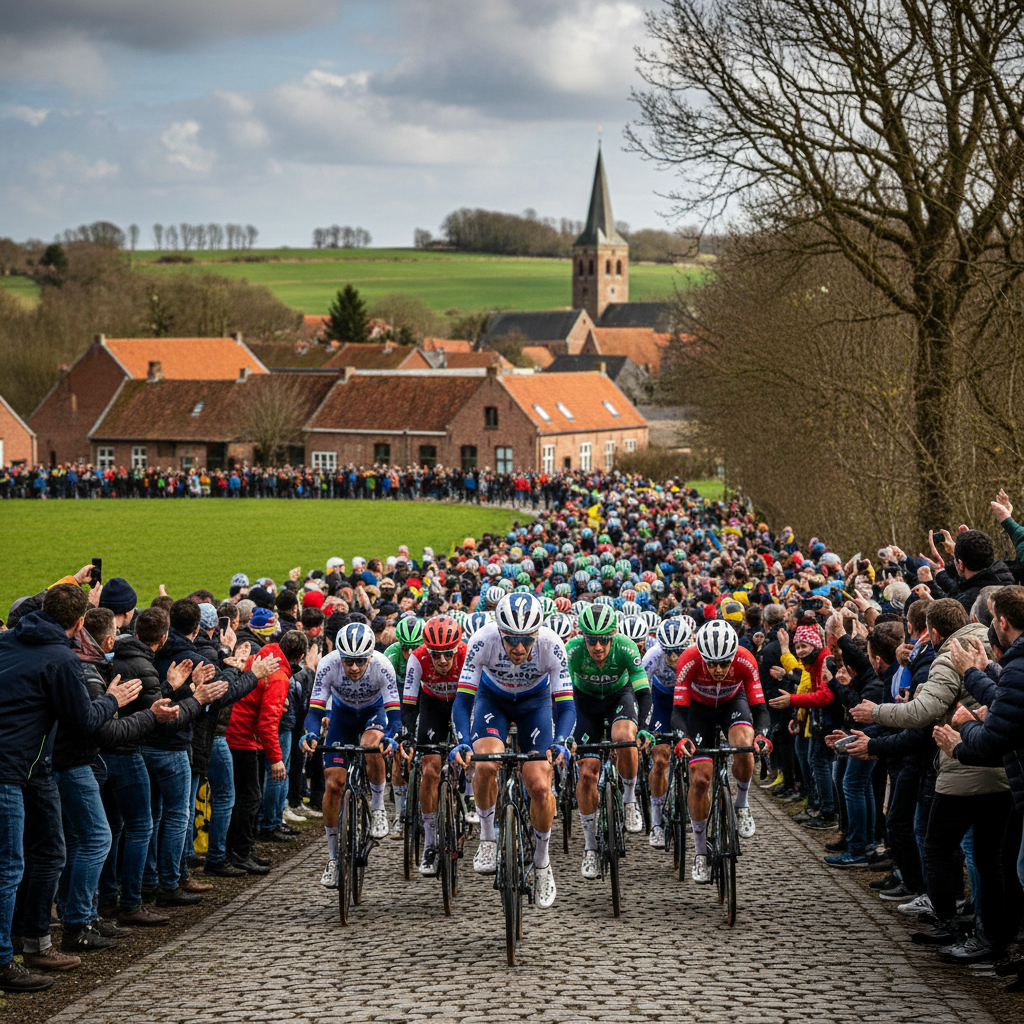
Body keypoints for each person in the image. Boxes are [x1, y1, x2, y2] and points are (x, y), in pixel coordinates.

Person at [0, 584, 138, 993]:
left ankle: (35, 941)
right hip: (11, 767)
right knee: (10, 866)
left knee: (49, 852)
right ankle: (5, 960)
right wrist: (113, 699)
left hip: (33, 766)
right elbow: (84, 719)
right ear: (80, 623)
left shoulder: (9, 641)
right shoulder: (61, 658)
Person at [449, 593, 575, 909]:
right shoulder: (483, 639)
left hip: (535, 704)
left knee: (540, 787)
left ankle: (543, 863)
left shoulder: (551, 643)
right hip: (494, 701)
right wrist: (463, 740)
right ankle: (489, 838)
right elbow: (463, 701)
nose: (519, 648)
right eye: (511, 640)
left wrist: (559, 741)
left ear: (537, 634)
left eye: (526, 641)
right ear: (500, 632)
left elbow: (567, 705)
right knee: (487, 764)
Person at [300, 621, 401, 889]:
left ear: (369, 656)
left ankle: (378, 806)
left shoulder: (382, 665)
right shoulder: (327, 664)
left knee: (372, 746)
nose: (354, 667)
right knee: (334, 783)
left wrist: (391, 735)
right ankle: (333, 858)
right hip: (342, 719)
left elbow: (395, 715)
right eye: (348, 661)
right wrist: (309, 733)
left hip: (373, 713)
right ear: (340, 657)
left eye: (359, 661)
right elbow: (315, 710)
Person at [671, 619, 772, 884]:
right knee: (701, 779)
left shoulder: (746, 659)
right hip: (698, 710)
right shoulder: (689, 659)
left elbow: (760, 709)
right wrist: (682, 738)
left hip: (732, 703)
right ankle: (701, 852)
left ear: (733, 657)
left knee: (744, 744)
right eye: (712, 663)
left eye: (724, 663)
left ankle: (741, 804)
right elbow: (679, 712)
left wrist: (762, 736)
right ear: (702, 656)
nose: (718, 670)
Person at [567, 604, 653, 880]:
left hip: (619, 697)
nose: (597, 645)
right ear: (582, 636)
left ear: (613, 634)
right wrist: (565, 732)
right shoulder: (573, 651)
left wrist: (646, 728)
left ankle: (629, 801)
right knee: (588, 772)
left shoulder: (627, 648)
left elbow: (643, 693)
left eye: (603, 638)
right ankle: (590, 846)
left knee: (624, 738)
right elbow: (562, 694)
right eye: (591, 639)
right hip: (585, 703)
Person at [399, 616, 467, 876]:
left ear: (456, 649)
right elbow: (408, 702)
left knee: (469, 752)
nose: (441, 660)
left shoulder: (468, 652)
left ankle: (468, 797)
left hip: (463, 703)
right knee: (430, 770)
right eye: (436, 654)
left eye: (447, 654)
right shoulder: (417, 658)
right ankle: (430, 845)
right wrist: (407, 735)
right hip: (432, 707)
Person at [642, 616, 694, 848]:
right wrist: (643, 725)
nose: (673, 657)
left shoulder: (696, 653)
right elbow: (642, 691)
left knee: (697, 757)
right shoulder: (652, 655)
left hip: (689, 699)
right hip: (661, 699)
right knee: (661, 758)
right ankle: (656, 822)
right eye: (669, 651)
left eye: (679, 651)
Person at [383, 617, 425, 833]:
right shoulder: (391, 655)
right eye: (405, 648)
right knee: (399, 752)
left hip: (423, 698)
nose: (409, 653)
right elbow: (386, 692)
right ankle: (400, 815)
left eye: (415, 647)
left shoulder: (428, 654)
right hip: (398, 699)